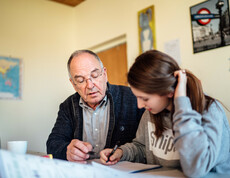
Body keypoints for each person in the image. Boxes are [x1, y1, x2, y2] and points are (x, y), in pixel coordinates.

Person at [100, 50, 230, 177]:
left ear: (169, 92)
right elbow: (142, 147)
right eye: (137, 97)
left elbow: (195, 169)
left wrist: (181, 106)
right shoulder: (151, 112)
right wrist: (121, 152)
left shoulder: (210, 111)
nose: (140, 105)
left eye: (145, 99)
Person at [46, 50, 144, 163]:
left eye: (95, 75)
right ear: (73, 84)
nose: (90, 85)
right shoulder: (68, 106)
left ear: (105, 74)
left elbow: (145, 147)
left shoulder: (132, 98)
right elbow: (53, 144)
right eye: (81, 80)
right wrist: (66, 151)